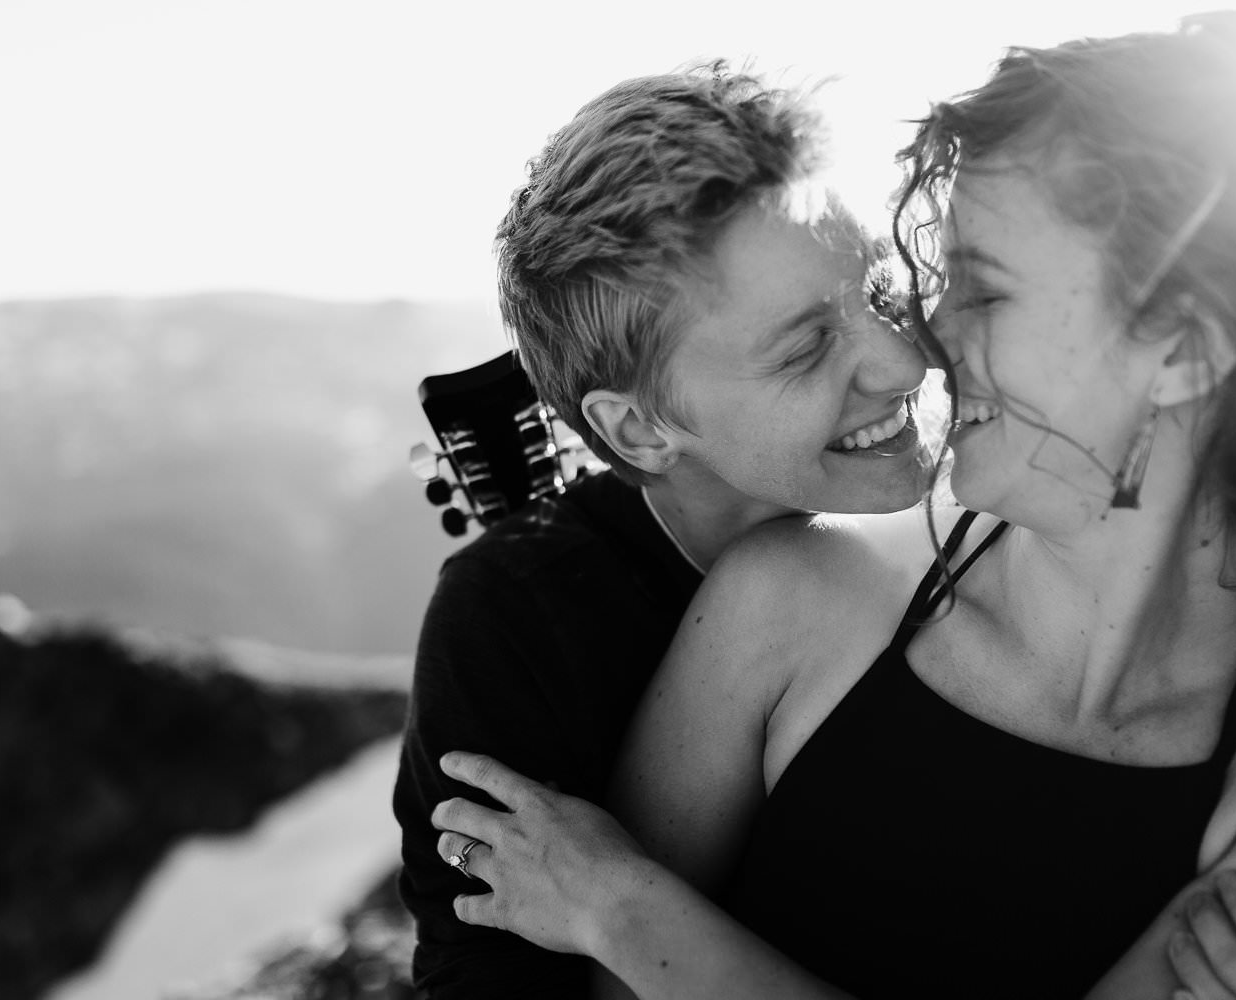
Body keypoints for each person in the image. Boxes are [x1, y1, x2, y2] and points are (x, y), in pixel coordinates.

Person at [429, 9, 1236, 999]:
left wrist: (627, 909)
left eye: (984, 291)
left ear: (1186, 347)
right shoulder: (787, 596)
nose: (924, 347)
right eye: (808, 342)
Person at [391, 64, 933, 998]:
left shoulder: (1001, 505)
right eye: (805, 348)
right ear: (639, 431)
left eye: (878, 292)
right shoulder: (520, 617)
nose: (904, 361)